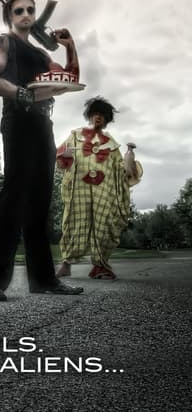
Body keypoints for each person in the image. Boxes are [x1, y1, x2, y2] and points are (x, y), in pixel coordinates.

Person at [0, 0, 84, 301]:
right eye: (19, 10)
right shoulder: (4, 43)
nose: (25, 14)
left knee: (41, 199)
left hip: (42, 123)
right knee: (14, 194)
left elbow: (70, 79)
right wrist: (21, 94)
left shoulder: (40, 54)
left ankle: (44, 279)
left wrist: (70, 47)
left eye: (30, 10)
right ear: (9, 16)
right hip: (17, 119)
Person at [56, 96, 141, 280]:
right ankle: (65, 265)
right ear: (89, 116)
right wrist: (66, 155)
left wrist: (129, 161)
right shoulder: (75, 135)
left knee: (104, 225)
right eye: (95, 114)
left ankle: (100, 266)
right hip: (80, 188)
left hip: (103, 190)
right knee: (73, 222)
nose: (98, 117)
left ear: (106, 119)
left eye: (102, 115)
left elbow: (121, 170)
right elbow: (61, 159)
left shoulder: (111, 143)